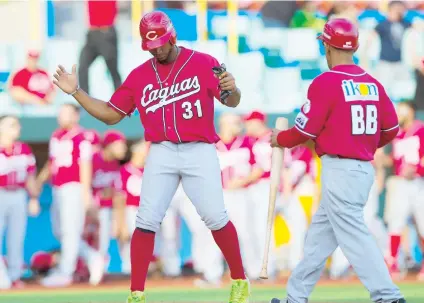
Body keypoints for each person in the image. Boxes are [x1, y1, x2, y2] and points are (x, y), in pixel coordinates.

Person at [52, 10, 250, 303]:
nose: (156, 49)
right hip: (162, 150)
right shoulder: (140, 75)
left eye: (161, 43)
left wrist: (233, 90)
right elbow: (110, 114)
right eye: (150, 45)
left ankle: (239, 281)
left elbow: (232, 100)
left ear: (172, 37)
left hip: (199, 148)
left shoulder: (203, 62)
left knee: (215, 216)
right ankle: (136, 293)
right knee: (146, 219)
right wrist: (77, 92)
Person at [269, 18, 405, 303]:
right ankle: (296, 297)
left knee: (354, 234)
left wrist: (279, 139)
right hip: (360, 168)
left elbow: (304, 131)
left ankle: (388, 295)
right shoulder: (373, 84)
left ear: (327, 47)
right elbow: (391, 129)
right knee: (318, 241)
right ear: (354, 45)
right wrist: (364, 144)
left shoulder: (326, 82)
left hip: (340, 170)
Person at [36, 103, 104, 287]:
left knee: (70, 230)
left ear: (76, 115)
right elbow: (51, 164)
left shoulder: (82, 136)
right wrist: (39, 182)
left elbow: (85, 165)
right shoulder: (56, 136)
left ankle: (66, 272)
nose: (61, 116)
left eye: (66, 113)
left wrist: (85, 193)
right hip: (58, 187)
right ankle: (93, 257)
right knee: (60, 231)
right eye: (60, 113)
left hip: (74, 187)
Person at [384, 101, 424, 281]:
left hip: (418, 182)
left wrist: (417, 169)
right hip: (400, 183)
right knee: (396, 223)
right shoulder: (397, 134)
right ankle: (392, 263)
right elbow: (394, 160)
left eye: (402, 110)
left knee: (422, 225)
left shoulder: (420, 129)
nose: (399, 113)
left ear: (411, 110)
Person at [0, 115, 40, 289]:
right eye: (11, 125)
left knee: (16, 236)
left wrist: (33, 198)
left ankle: (15, 275)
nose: (17, 128)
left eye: (17, 125)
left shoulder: (23, 149)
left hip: (18, 194)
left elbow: (31, 175)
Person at [244, 110, 278, 280]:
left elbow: (262, 169)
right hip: (253, 188)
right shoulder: (251, 140)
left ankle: (268, 269)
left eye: (249, 122)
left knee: (262, 229)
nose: (246, 125)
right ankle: (257, 269)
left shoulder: (271, 138)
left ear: (257, 122)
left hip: (267, 186)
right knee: (252, 229)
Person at [362, 1, 411, 99]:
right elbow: (370, 38)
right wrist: (365, 56)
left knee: (403, 90)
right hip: (385, 63)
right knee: (384, 91)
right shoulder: (383, 24)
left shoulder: (405, 23)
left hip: (400, 63)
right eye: (396, 9)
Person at [92, 130, 127, 263]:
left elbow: (115, 194)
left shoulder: (115, 164)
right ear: (110, 145)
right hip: (90, 209)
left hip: (106, 209)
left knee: (104, 244)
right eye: (120, 144)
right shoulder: (93, 159)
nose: (124, 148)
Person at [78, 0, 122, 94]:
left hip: (106, 33)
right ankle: (85, 99)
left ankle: (121, 101)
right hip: (92, 34)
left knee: (112, 70)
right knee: (82, 67)